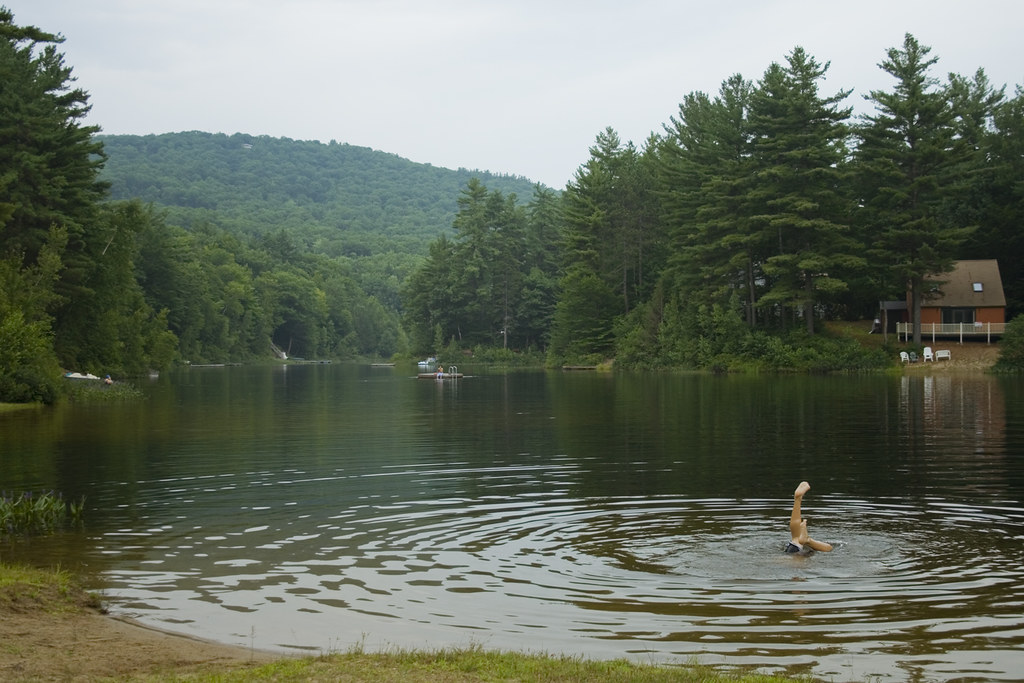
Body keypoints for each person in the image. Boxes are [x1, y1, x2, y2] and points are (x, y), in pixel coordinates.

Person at [785, 481, 833, 554]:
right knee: (796, 539)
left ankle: (798, 500)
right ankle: (797, 500)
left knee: (796, 539)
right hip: (795, 554)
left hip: (794, 552)